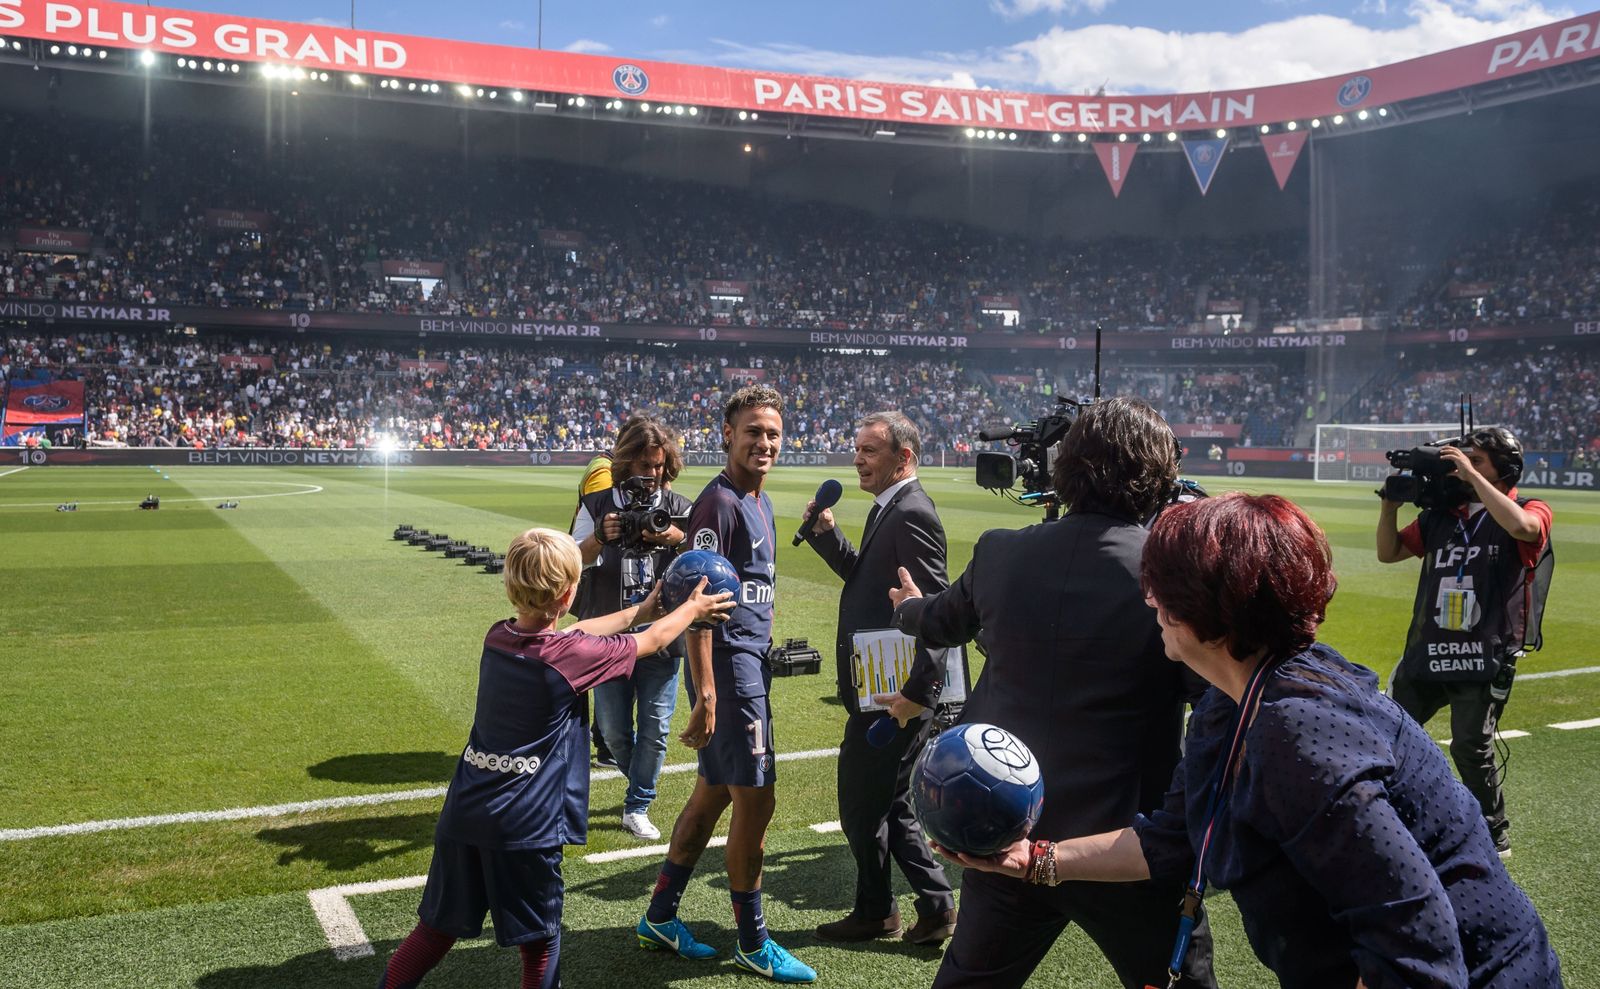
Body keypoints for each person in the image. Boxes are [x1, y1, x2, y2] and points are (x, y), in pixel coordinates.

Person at [943, 494, 1563, 988]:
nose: (1148, 597)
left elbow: (1415, 944)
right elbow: (1168, 841)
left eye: (1158, 585)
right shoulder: (1232, 700)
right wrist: (1037, 860)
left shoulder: (1298, 737)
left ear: (1203, 611)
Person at [887, 397, 1215, 989]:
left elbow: (939, 620)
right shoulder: (1168, 572)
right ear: (1157, 478)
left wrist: (908, 608)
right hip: (1125, 852)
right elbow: (1215, 697)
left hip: (1005, 832)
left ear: (1065, 467)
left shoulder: (1000, 551)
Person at [374, 528, 733, 989]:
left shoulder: (498, 637)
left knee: (434, 932)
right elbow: (651, 642)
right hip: (525, 829)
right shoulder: (571, 656)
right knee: (541, 944)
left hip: (463, 816)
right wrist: (691, 609)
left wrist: (638, 612)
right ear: (568, 593)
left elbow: (576, 632)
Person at [635, 384, 816, 984]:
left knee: (713, 793)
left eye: (772, 433)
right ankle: (754, 941)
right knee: (756, 800)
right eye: (752, 432)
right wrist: (708, 691)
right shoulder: (719, 505)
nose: (764, 442)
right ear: (728, 436)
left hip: (748, 662)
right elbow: (699, 599)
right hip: (730, 670)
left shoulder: (757, 499)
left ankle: (660, 916)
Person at [800, 411, 957, 947]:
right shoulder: (889, 508)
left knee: (863, 806)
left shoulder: (912, 513)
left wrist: (916, 695)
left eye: (869, 451)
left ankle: (882, 910)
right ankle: (924, 908)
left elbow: (932, 610)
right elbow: (872, 586)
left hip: (895, 694)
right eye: (857, 449)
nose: (857, 460)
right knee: (884, 803)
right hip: (882, 688)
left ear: (903, 458)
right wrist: (828, 537)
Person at [1376, 425, 1553, 859]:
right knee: (1390, 732)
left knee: (1470, 746)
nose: (1465, 466)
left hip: (1484, 652)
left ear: (1504, 470)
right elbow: (1389, 552)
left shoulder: (1532, 507)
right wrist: (1389, 507)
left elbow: (1524, 528)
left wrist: (1472, 478)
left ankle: (1495, 834)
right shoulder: (1442, 515)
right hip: (1430, 647)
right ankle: (1392, 815)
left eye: (1478, 460)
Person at [570, 416, 693, 840]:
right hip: (608, 635)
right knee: (615, 733)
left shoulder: (679, 507)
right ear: (625, 461)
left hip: (662, 635)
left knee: (657, 729)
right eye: (643, 464)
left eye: (658, 464)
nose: (651, 473)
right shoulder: (598, 503)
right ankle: (638, 775)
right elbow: (570, 562)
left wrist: (672, 536)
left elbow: (702, 557)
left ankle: (637, 803)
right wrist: (600, 538)